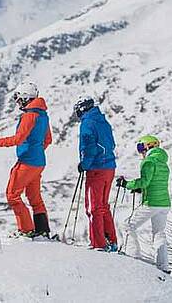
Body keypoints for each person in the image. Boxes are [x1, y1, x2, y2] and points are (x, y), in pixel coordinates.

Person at [0, 81, 52, 238]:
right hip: (39, 162)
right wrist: (36, 151)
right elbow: (48, 139)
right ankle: (42, 230)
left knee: (12, 195)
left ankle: (26, 230)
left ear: (26, 98)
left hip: (27, 161)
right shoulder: (43, 115)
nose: (18, 103)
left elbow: (18, 139)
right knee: (35, 198)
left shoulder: (30, 116)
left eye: (19, 99)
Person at [116, 135, 171, 273]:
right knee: (159, 233)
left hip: (151, 202)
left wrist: (127, 184)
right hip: (164, 203)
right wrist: (140, 188)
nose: (140, 151)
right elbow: (153, 182)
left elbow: (145, 181)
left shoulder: (149, 162)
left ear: (149, 146)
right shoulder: (163, 163)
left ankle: (132, 256)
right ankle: (163, 266)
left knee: (127, 225)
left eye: (141, 147)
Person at [74, 97, 118, 252]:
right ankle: (111, 241)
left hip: (96, 168)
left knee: (93, 208)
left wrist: (84, 164)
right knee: (103, 206)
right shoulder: (103, 121)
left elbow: (89, 147)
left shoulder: (87, 123)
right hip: (109, 167)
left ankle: (98, 244)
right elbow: (111, 144)